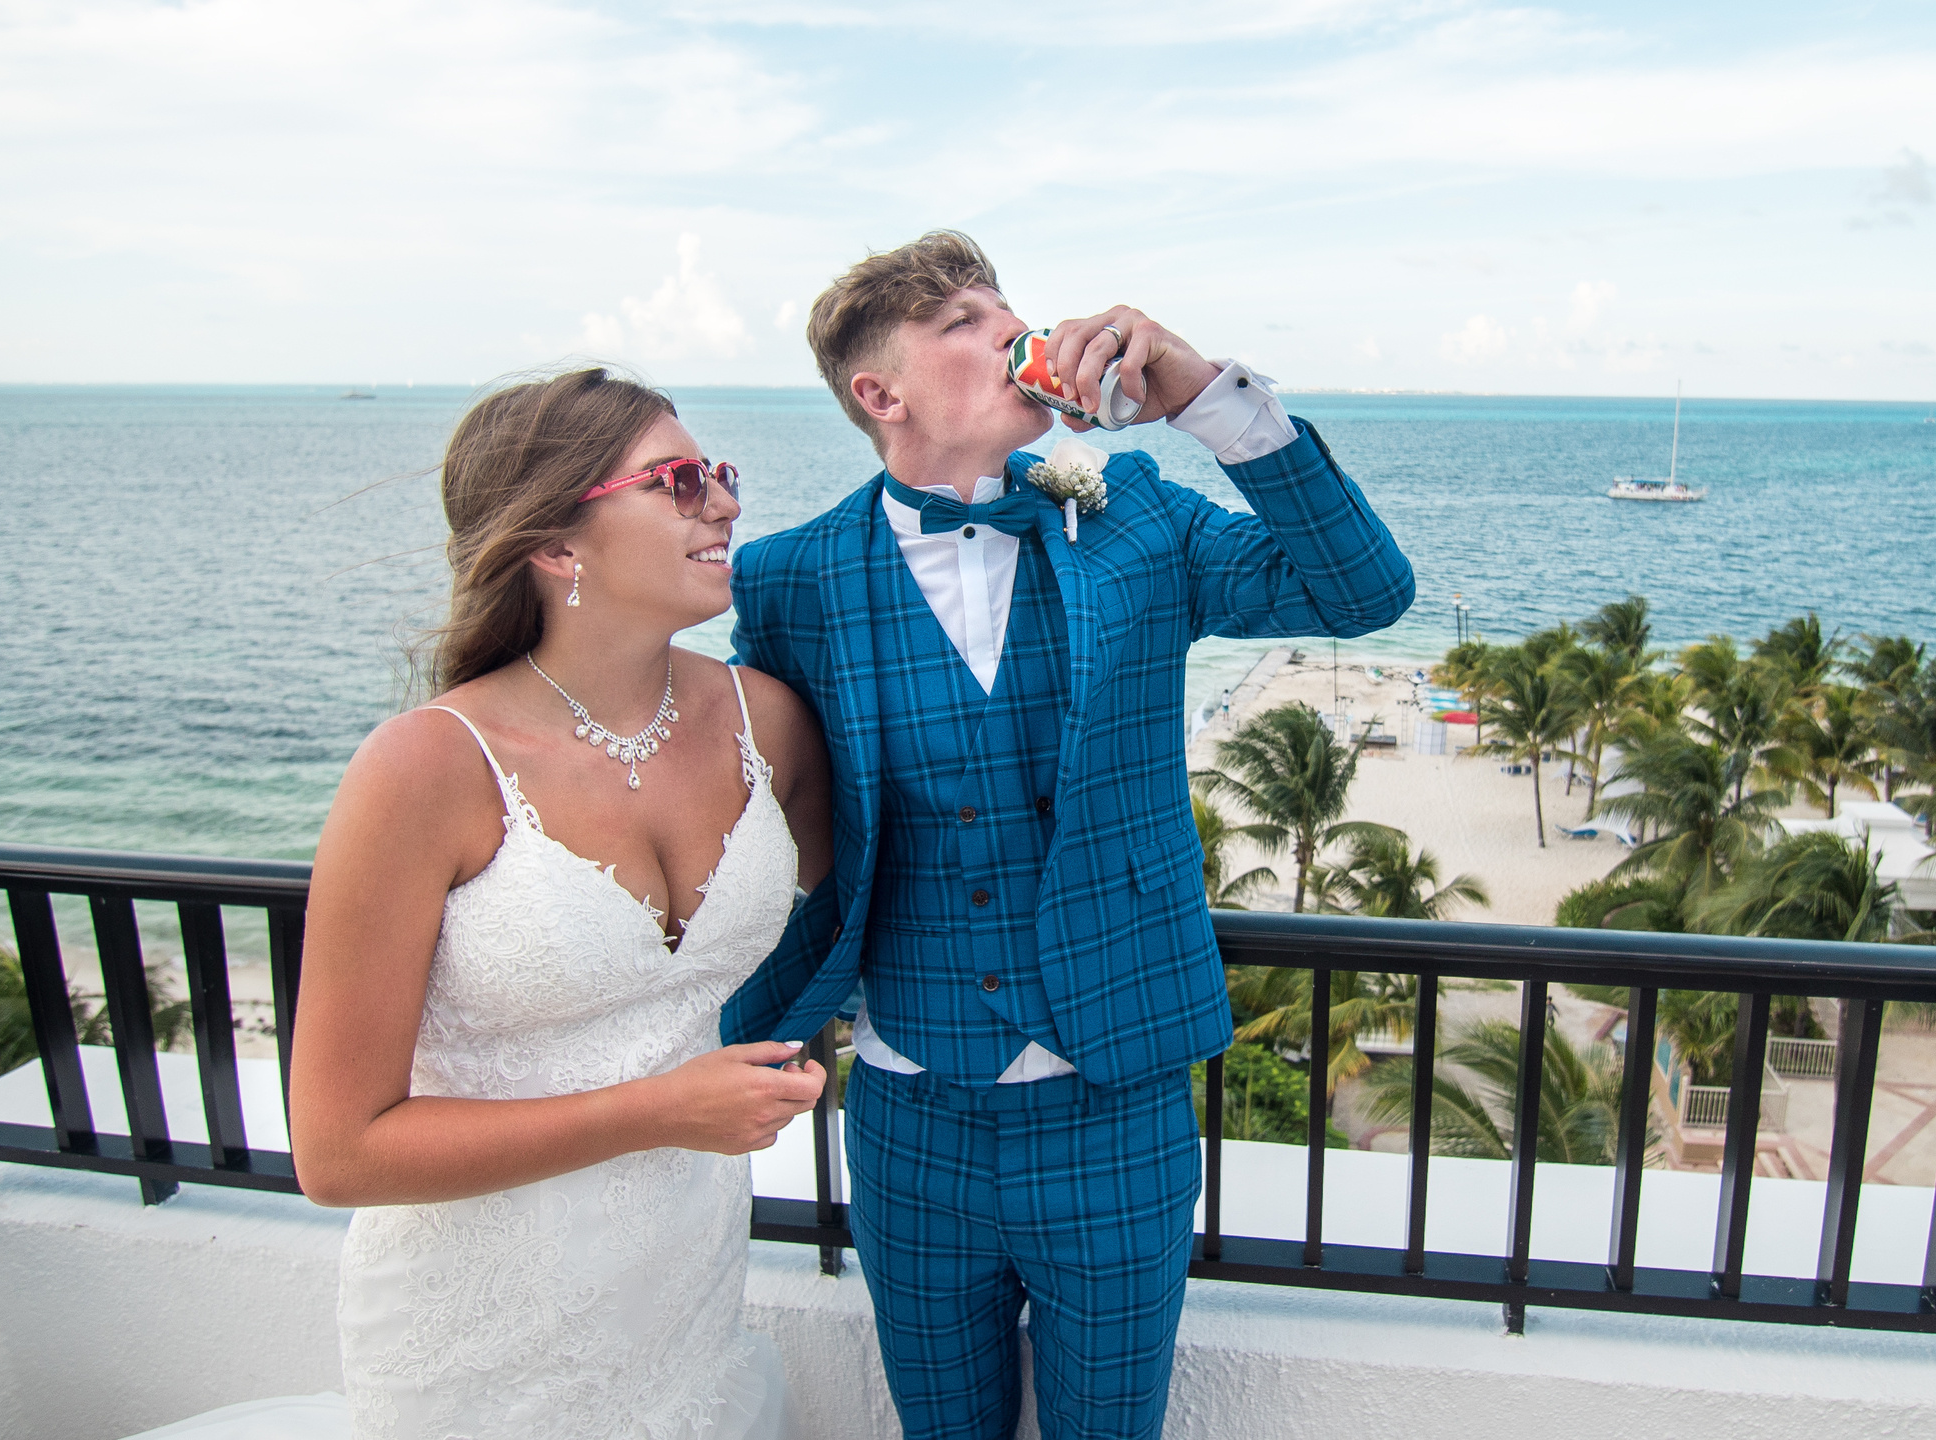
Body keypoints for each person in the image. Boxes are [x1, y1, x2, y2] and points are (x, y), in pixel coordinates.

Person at [724, 232, 1414, 1439]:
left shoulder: (1135, 514)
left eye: (1007, 312)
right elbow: (755, 800)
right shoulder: (791, 580)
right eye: (961, 323)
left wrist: (1204, 401)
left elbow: (1360, 593)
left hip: (1116, 1107)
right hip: (908, 1118)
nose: (1007, 332)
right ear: (877, 395)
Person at [287, 368, 834, 1440]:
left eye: (717, 474)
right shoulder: (427, 770)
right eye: (677, 480)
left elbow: (877, 901)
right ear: (554, 545)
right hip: (479, 1330)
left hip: (680, 1289)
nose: (722, 503)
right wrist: (658, 1111)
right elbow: (338, 1151)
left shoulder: (764, 724)